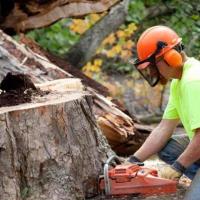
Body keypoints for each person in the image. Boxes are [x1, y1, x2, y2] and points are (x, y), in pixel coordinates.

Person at [128, 25, 200, 180]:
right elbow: (164, 128)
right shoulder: (179, 81)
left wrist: (178, 166)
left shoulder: (193, 81)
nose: (153, 71)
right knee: (169, 148)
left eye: (153, 65)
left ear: (170, 57)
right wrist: (133, 161)